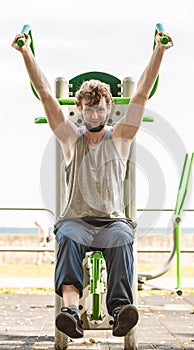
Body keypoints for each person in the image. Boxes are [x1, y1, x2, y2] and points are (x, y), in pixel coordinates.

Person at [12, 29, 173, 339]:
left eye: (99, 108)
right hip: (77, 221)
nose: (94, 113)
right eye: (88, 108)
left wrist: (159, 51)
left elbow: (141, 93)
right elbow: (46, 93)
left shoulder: (122, 137)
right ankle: (70, 312)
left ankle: (120, 309)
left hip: (112, 222)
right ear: (80, 110)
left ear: (108, 109)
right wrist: (26, 53)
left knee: (123, 237)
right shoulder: (71, 139)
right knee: (68, 238)